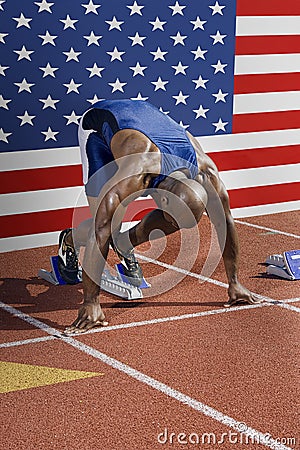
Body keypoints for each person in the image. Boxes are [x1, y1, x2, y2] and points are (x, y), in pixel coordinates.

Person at [59, 99, 260, 334]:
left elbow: (225, 221)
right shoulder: (136, 172)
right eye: (172, 219)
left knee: (120, 232)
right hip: (97, 129)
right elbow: (99, 229)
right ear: (161, 199)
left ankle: (124, 244)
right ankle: (70, 240)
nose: (175, 227)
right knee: (109, 223)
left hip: (145, 122)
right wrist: (91, 303)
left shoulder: (206, 174)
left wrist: (234, 282)